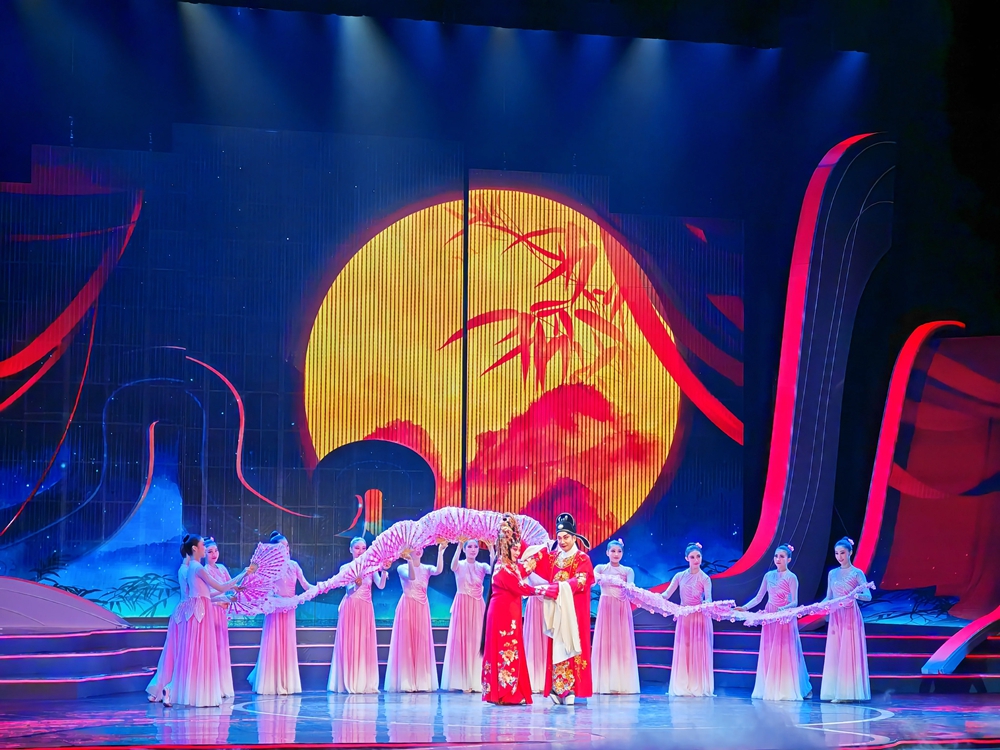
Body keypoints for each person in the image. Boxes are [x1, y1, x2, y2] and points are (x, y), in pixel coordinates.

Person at [165, 534, 251, 707]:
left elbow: (207, 594)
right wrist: (243, 573)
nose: (205, 549)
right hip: (201, 614)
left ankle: (186, 691)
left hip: (199, 611)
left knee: (195, 655)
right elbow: (221, 587)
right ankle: (183, 691)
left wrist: (227, 598)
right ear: (195, 548)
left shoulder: (193, 567)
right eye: (204, 546)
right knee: (200, 653)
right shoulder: (198, 568)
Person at [523, 512, 595, 705]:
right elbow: (533, 561)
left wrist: (557, 588)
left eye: (566, 537)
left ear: (574, 537)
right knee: (557, 645)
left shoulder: (582, 559)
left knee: (572, 645)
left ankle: (572, 688)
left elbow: (580, 581)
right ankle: (557, 687)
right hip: (556, 612)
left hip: (575, 613)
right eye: (559, 537)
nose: (562, 541)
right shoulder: (553, 557)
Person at [481, 514, 546, 705]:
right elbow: (522, 588)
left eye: (519, 549)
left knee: (512, 648)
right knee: (506, 649)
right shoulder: (503, 568)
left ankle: (510, 692)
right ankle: (505, 694)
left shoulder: (511, 565)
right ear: (506, 548)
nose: (518, 552)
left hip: (511, 612)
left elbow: (525, 569)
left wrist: (541, 553)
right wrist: (546, 590)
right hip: (503, 614)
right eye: (515, 549)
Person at [736, 543, 812, 701]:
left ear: (788, 559)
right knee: (770, 650)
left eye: (782, 556)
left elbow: (795, 601)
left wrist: (782, 610)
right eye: (776, 556)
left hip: (784, 617)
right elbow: (759, 597)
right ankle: (770, 686)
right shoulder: (768, 576)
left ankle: (786, 687)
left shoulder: (791, 577)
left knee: (785, 650)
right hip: (770, 616)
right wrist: (745, 607)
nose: (778, 559)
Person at [248, 531, 314, 695]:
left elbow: (306, 585)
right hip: (275, 610)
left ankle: (286, 681)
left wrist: (322, 587)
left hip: (289, 610)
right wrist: (276, 599)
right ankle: (271, 682)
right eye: (282, 548)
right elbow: (264, 590)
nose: (286, 550)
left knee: (287, 643)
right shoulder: (269, 569)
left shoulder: (294, 566)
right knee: (274, 642)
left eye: (287, 546)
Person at [328, 536, 388, 694]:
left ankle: (364, 682)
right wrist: (356, 584)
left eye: (363, 548)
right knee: (351, 643)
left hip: (366, 608)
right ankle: (350, 680)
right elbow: (348, 591)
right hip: (351, 608)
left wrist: (383, 572)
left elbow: (380, 585)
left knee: (364, 643)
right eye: (357, 548)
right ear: (350, 550)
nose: (360, 551)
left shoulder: (371, 567)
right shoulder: (346, 568)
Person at [384, 543, 446, 692]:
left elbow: (438, 570)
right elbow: (411, 577)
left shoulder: (426, 568)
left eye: (420, 548)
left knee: (421, 641)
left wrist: (440, 552)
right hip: (407, 606)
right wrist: (410, 561)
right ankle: (407, 681)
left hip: (422, 607)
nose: (418, 550)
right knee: (407, 642)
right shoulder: (402, 568)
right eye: (414, 548)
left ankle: (421, 681)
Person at [820, 536, 872, 702]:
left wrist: (855, 595)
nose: (839, 556)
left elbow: (868, 596)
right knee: (836, 652)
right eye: (836, 553)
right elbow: (829, 596)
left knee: (848, 652)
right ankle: (835, 691)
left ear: (850, 552)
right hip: (836, 615)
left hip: (850, 616)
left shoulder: (857, 573)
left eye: (842, 553)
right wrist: (818, 606)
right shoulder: (832, 573)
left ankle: (848, 693)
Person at [661, 542, 715, 697]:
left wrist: (705, 603)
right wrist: (653, 597)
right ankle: (683, 684)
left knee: (697, 650)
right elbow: (667, 594)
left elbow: (709, 598)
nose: (696, 560)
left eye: (698, 556)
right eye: (692, 557)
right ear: (686, 558)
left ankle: (697, 685)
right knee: (684, 649)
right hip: (684, 616)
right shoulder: (679, 576)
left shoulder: (705, 578)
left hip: (698, 617)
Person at [441, 539, 492, 692]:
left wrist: (491, 549)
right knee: (462, 640)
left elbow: (494, 570)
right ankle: (462, 681)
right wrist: (458, 545)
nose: (473, 549)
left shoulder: (482, 566)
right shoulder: (460, 565)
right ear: (464, 549)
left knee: (477, 641)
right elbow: (453, 566)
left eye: (475, 546)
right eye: (469, 547)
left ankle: (476, 680)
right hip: (462, 605)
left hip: (477, 606)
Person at [204, 537, 251, 699]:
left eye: (216, 550)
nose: (214, 554)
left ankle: (223, 686)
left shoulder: (222, 568)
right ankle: (212, 686)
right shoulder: (204, 571)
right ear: (203, 553)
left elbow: (231, 584)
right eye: (210, 552)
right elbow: (208, 594)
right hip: (212, 610)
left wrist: (242, 587)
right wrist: (223, 598)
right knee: (212, 646)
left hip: (222, 611)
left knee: (222, 646)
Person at [592, 539, 640, 694]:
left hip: (621, 608)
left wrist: (631, 588)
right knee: (606, 641)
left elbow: (631, 586)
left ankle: (622, 682)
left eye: (619, 551)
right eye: (613, 551)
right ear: (607, 552)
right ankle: (604, 682)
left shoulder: (627, 571)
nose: (616, 554)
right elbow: (592, 582)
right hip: (606, 607)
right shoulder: (600, 568)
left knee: (621, 642)